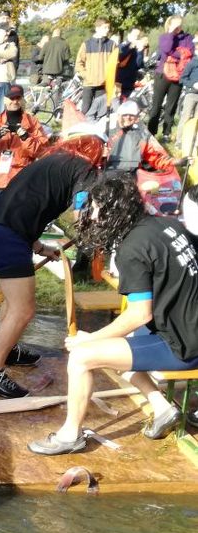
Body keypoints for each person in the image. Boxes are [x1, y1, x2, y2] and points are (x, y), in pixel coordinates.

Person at [28, 176, 198, 454]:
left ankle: (70, 435)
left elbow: (139, 314)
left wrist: (90, 339)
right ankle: (162, 408)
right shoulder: (166, 224)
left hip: (186, 346)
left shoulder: (132, 248)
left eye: (96, 209)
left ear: (113, 210)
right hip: (187, 329)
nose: (93, 216)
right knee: (120, 344)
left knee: (82, 357)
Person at [0, 136, 105, 399]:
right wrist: (91, 229)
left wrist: (39, 247)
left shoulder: (50, 162)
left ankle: (9, 352)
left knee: (13, 303)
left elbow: (27, 206)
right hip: (7, 238)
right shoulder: (83, 168)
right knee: (23, 310)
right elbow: (82, 205)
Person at [0, 85, 49, 211]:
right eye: (11, 98)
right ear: (5, 100)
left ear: (23, 100)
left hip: (21, 183)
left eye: (18, 98)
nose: (15, 101)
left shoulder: (32, 124)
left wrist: (26, 137)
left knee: (18, 221)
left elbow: (43, 151)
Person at [147, 16, 194, 140]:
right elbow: (167, 49)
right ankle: (151, 132)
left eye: (179, 24)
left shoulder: (188, 38)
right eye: (175, 24)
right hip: (162, 74)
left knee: (171, 106)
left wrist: (174, 54)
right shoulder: (164, 37)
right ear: (170, 24)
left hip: (178, 75)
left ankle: (166, 133)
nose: (178, 26)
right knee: (156, 105)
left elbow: (189, 53)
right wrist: (171, 34)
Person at [106, 100, 181, 177]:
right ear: (118, 116)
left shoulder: (142, 136)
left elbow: (155, 158)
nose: (128, 117)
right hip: (108, 173)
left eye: (132, 115)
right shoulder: (107, 131)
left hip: (132, 175)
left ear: (136, 118)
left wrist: (176, 162)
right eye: (125, 115)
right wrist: (102, 154)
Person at [75, 19, 116, 120]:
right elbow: (79, 63)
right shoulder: (86, 44)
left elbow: (115, 65)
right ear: (97, 28)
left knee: (100, 113)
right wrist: (86, 75)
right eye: (105, 27)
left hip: (103, 84)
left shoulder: (112, 44)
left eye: (108, 28)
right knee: (85, 110)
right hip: (89, 83)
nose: (107, 30)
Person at [116, 29, 146, 100]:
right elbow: (119, 58)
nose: (136, 38)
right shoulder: (122, 46)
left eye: (138, 36)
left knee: (127, 100)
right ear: (129, 35)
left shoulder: (137, 48)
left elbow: (139, 65)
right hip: (119, 79)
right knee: (116, 100)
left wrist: (140, 51)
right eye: (134, 35)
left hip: (130, 79)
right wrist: (130, 48)